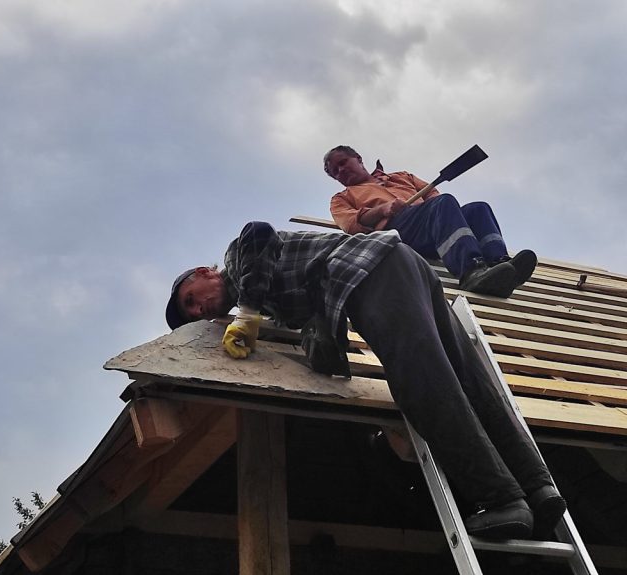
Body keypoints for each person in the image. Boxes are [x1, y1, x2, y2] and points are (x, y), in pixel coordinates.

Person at [165, 221, 566, 540]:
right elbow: (317, 312)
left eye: (190, 299)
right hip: (401, 263)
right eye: (194, 314)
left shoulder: (238, 258)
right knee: (467, 378)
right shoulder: (271, 291)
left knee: (422, 383)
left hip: (370, 270)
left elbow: (258, 232)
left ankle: (500, 499)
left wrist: (247, 312)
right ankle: (537, 486)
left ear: (203, 273)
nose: (199, 310)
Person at [324, 145, 537, 298]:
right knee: (443, 203)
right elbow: (351, 224)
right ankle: (471, 271)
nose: (341, 170)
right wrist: (384, 209)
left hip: (431, 229)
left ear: (359, 159)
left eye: (343, 163)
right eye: (335, 171)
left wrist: (443, 211)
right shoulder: (341, 199)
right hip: (397, 235)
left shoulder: (401, 176)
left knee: (478, 209)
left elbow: (432, 193)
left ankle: (500, 264)